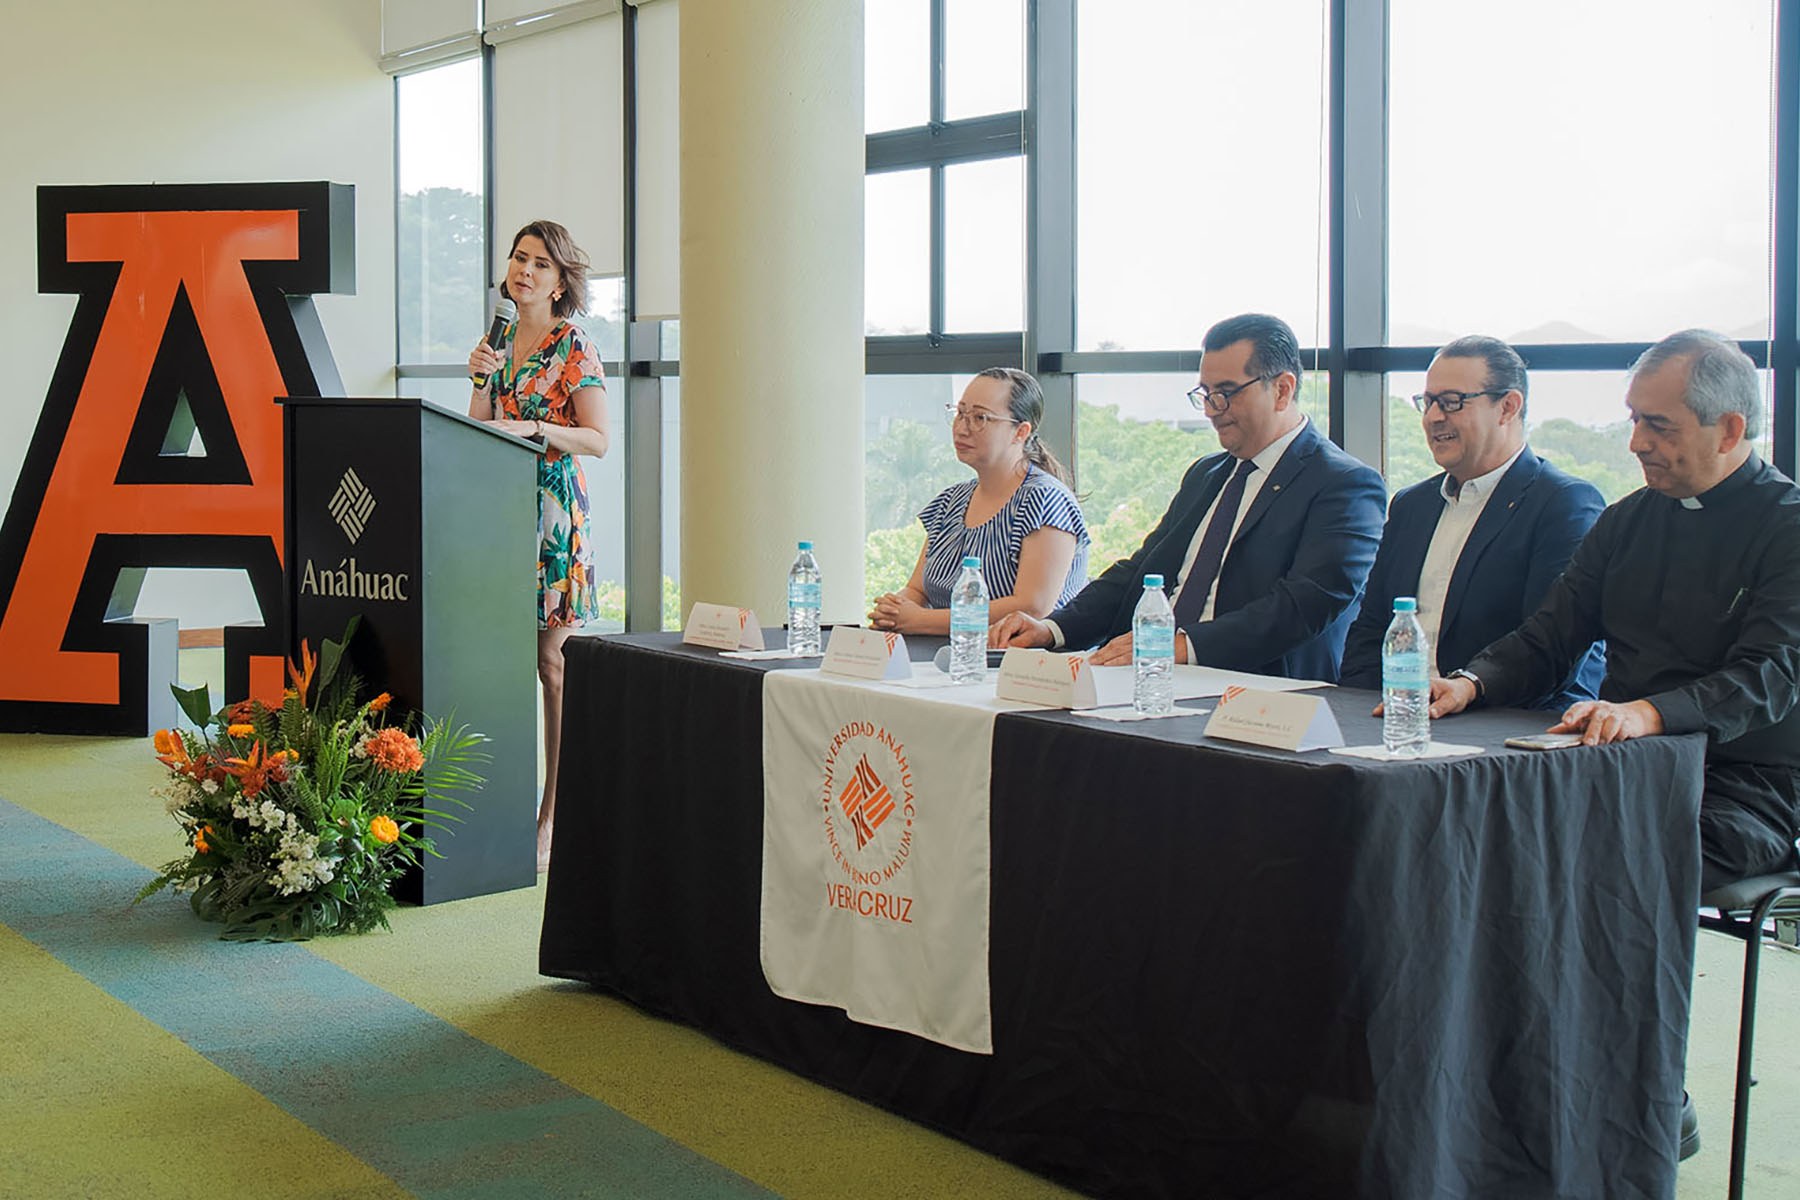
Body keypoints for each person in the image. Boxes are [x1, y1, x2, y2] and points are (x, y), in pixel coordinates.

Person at [1431, 329, 1800, 893]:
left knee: (1600, 864)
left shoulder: (1787, 529)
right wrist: (1471, 683)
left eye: (1659, 425)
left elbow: (1769, 674)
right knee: (1478, 828)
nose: (1636, 443)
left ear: (1729, 429)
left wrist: (1648, 714)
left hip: (1741, 787)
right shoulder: (1626, 521)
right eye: (1634, 420)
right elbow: (1552, 634)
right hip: (1623, 764)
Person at [992, 313, 1385, 680]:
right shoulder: (1207, 474)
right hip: (1153, 674)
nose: (1211, 410)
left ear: (1282, 390)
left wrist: (1181, 646)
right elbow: (1140, 572)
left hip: (1257, 690)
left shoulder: (1344, 484)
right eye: (1205, 393)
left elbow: (1305, 605)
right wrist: (1053, 628)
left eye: (1226, 393)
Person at [1339, 335, 1604, 708]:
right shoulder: (1412, 505)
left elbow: (1551, 650)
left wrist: (1463, 692)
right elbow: (1370, 631)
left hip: (1505, 719)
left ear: (1507, 407)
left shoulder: (1563, 503)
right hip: (1399, 713)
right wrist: (1356, 709)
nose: (1433, 417)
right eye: (1428, 402)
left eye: (1452, 402)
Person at [467, 220, 610, 873]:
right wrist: (479, 380)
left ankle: (555, 814)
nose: (524, 270)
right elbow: (477, 428)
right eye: (519, 258)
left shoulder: (573, 344)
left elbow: (597, 439)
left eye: (540, 264)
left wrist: (534, 427)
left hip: (553, 513)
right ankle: (503, 802)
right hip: (499, 508)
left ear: (559, 282)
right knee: (502, 658)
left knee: (552, 662)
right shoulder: (496, 340)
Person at [868, 368, 1088, 634]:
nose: (962, 428)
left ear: (1020, 432)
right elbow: (917, 590)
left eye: (980, 418)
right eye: (960, 413)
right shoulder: (951, 500)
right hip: (943, 653)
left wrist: (919, 621)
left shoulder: (1045, 500)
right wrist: (894, 610)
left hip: (1018, 656)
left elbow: (1032, 607)